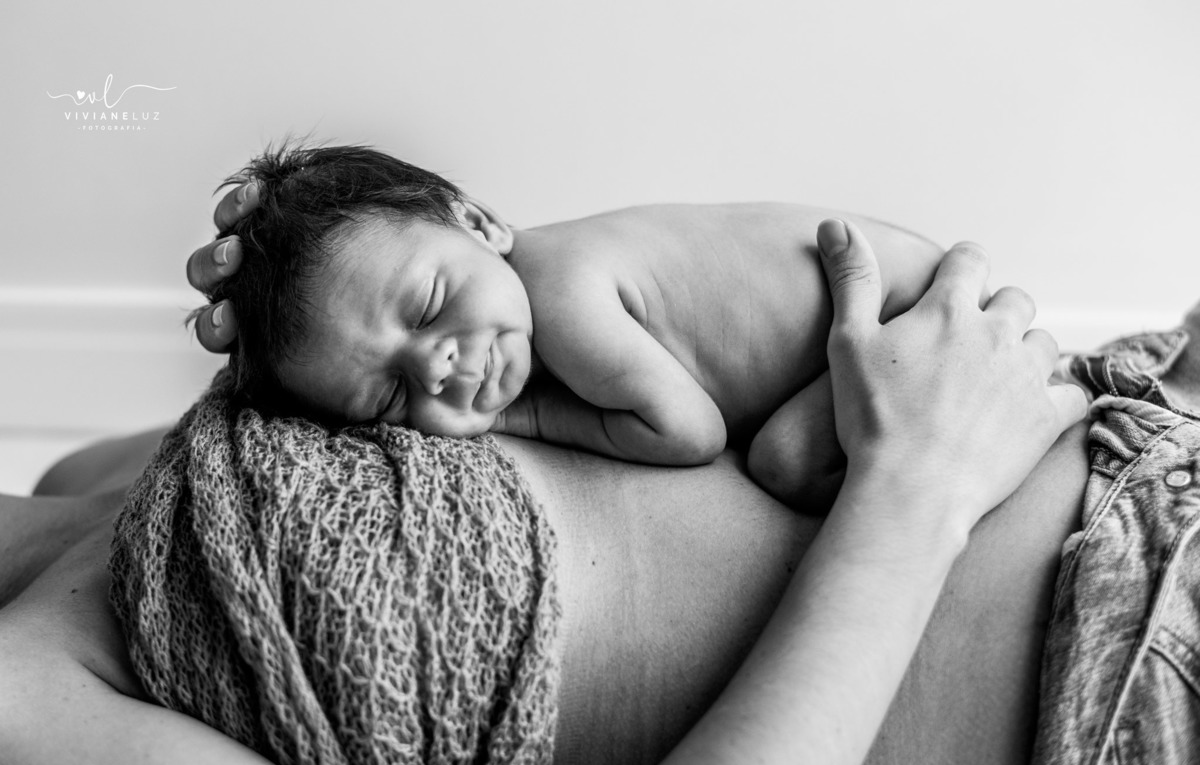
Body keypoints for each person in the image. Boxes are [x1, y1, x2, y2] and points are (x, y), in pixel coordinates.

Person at [0, 183, 1104, 765]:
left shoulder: (89, 474)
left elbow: (484, 313)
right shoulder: (30, 706)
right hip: (1107, 669)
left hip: (1111, 412)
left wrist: (303, 262)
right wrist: (917, 491)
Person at [199, 143, 952, 509]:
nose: (433, 369)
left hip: (905, 313)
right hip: (889, 289)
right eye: (389, 398)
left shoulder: (562, 297)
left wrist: (520, 416)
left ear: (478, 222)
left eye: (428, 307)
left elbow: (689, 433)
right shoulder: (519, 285)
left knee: (783, 463)